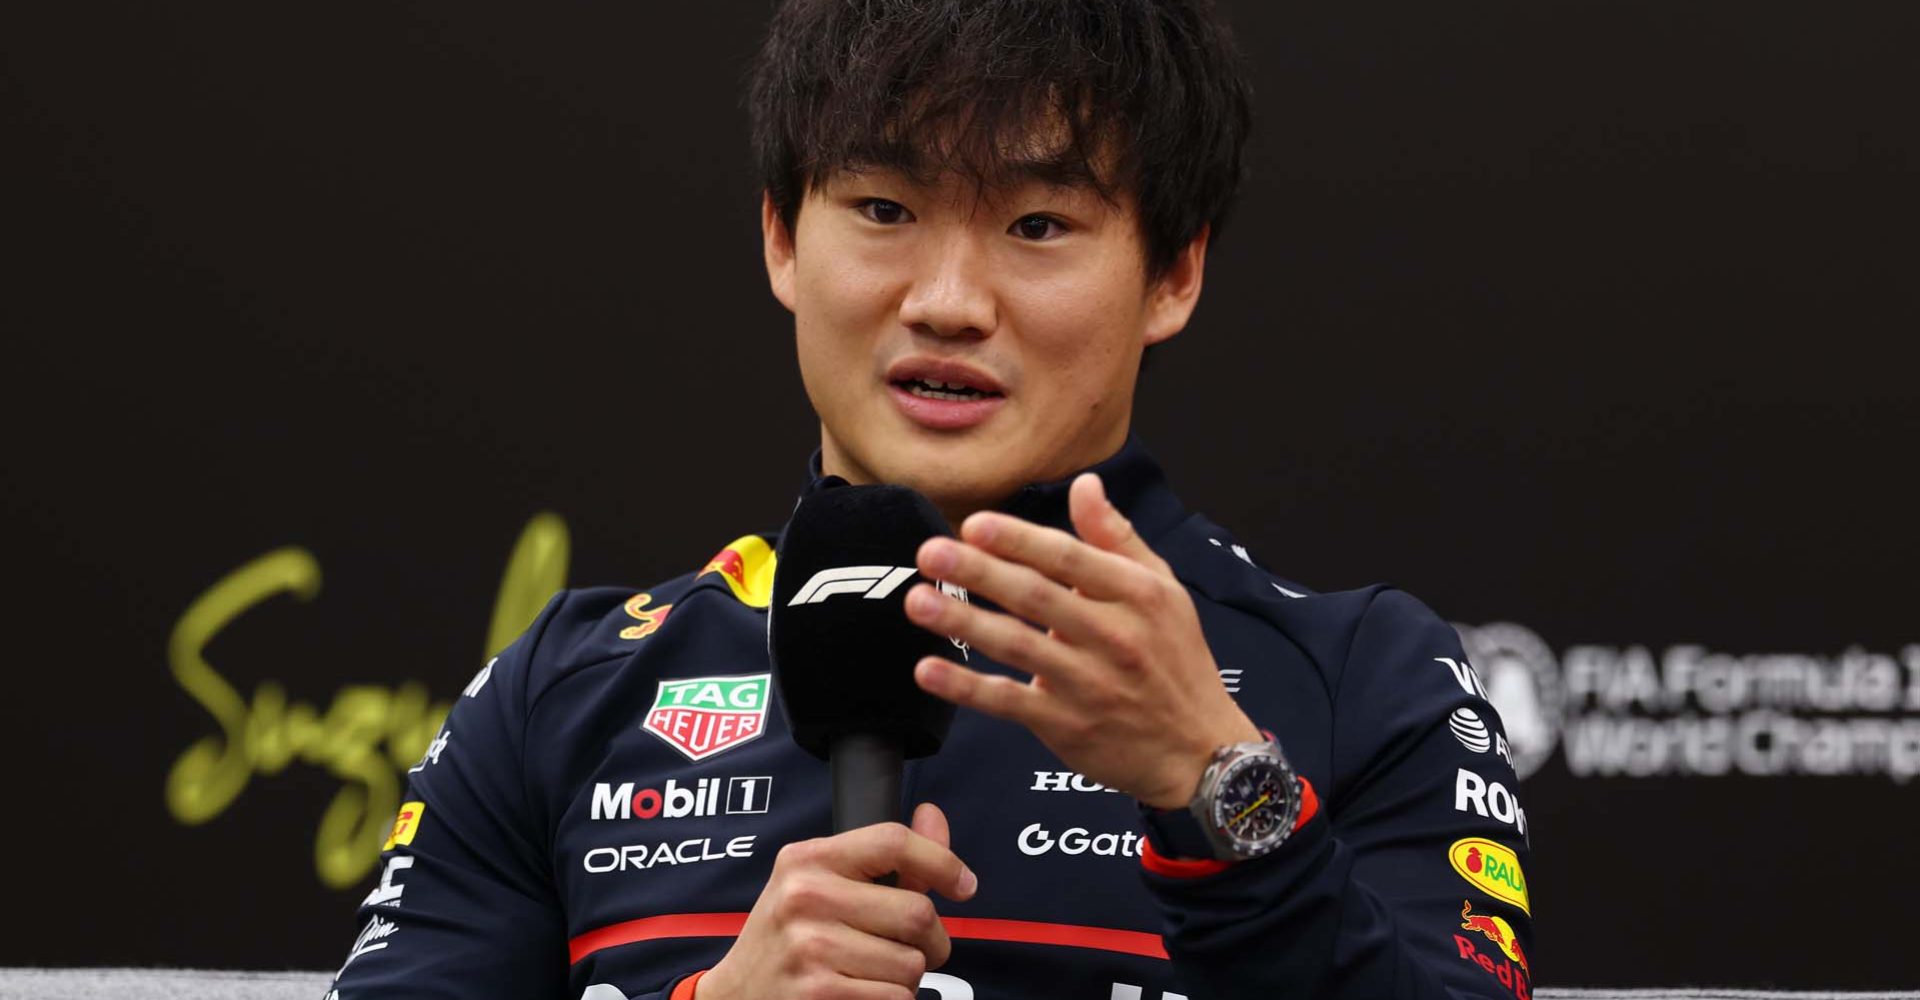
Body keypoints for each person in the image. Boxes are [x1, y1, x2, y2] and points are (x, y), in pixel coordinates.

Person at [324, 0, 1538, 997]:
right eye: (885, 210)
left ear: (1173, 273)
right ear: (782, 240)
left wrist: (1221, 786)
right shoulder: (564, 691)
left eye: (1038, 222)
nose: (949, 299)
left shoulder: (1364, 680)